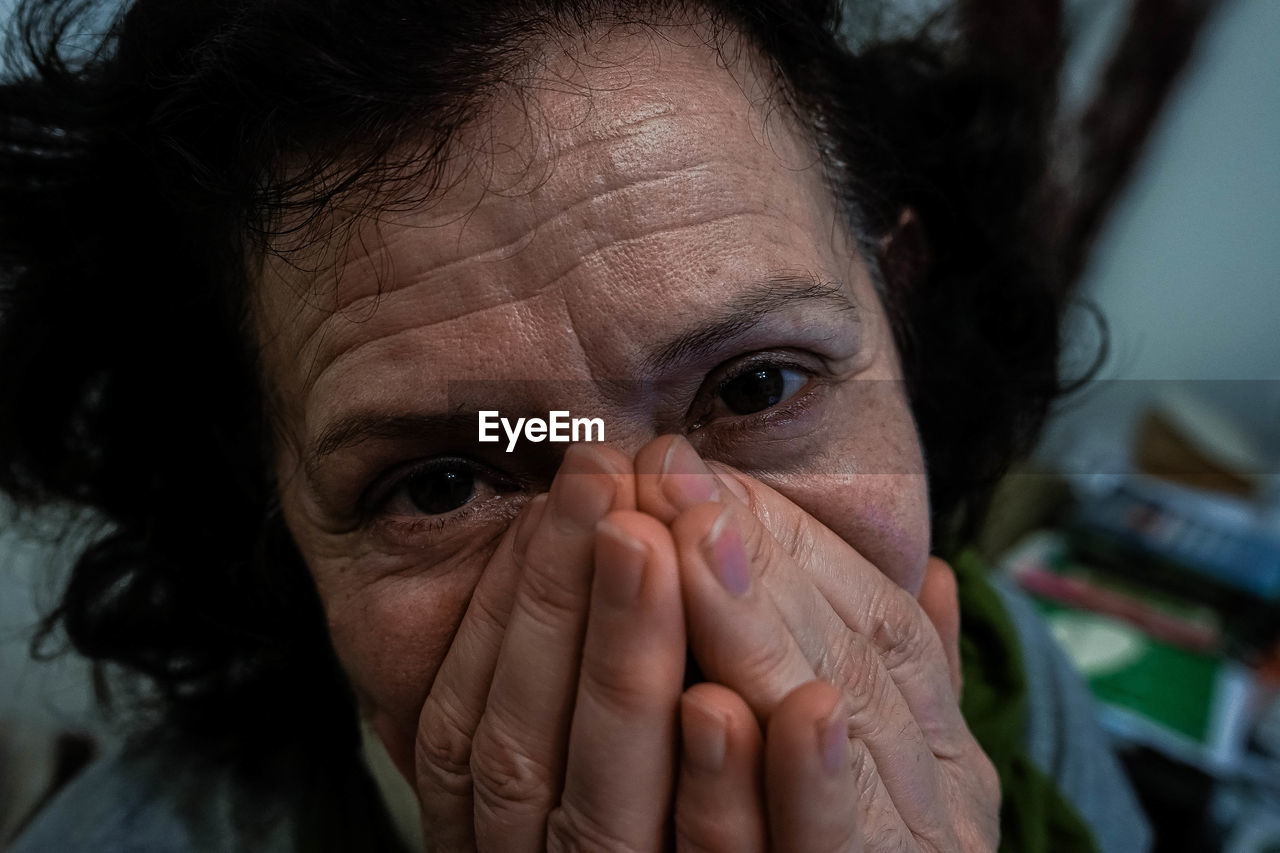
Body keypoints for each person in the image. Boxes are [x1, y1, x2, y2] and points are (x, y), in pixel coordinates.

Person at [0, 0, 1152, 850]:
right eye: (447, 481)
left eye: (754, 388)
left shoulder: (1015, 681)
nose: (646, 561)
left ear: (894, 306)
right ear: (268, 511)